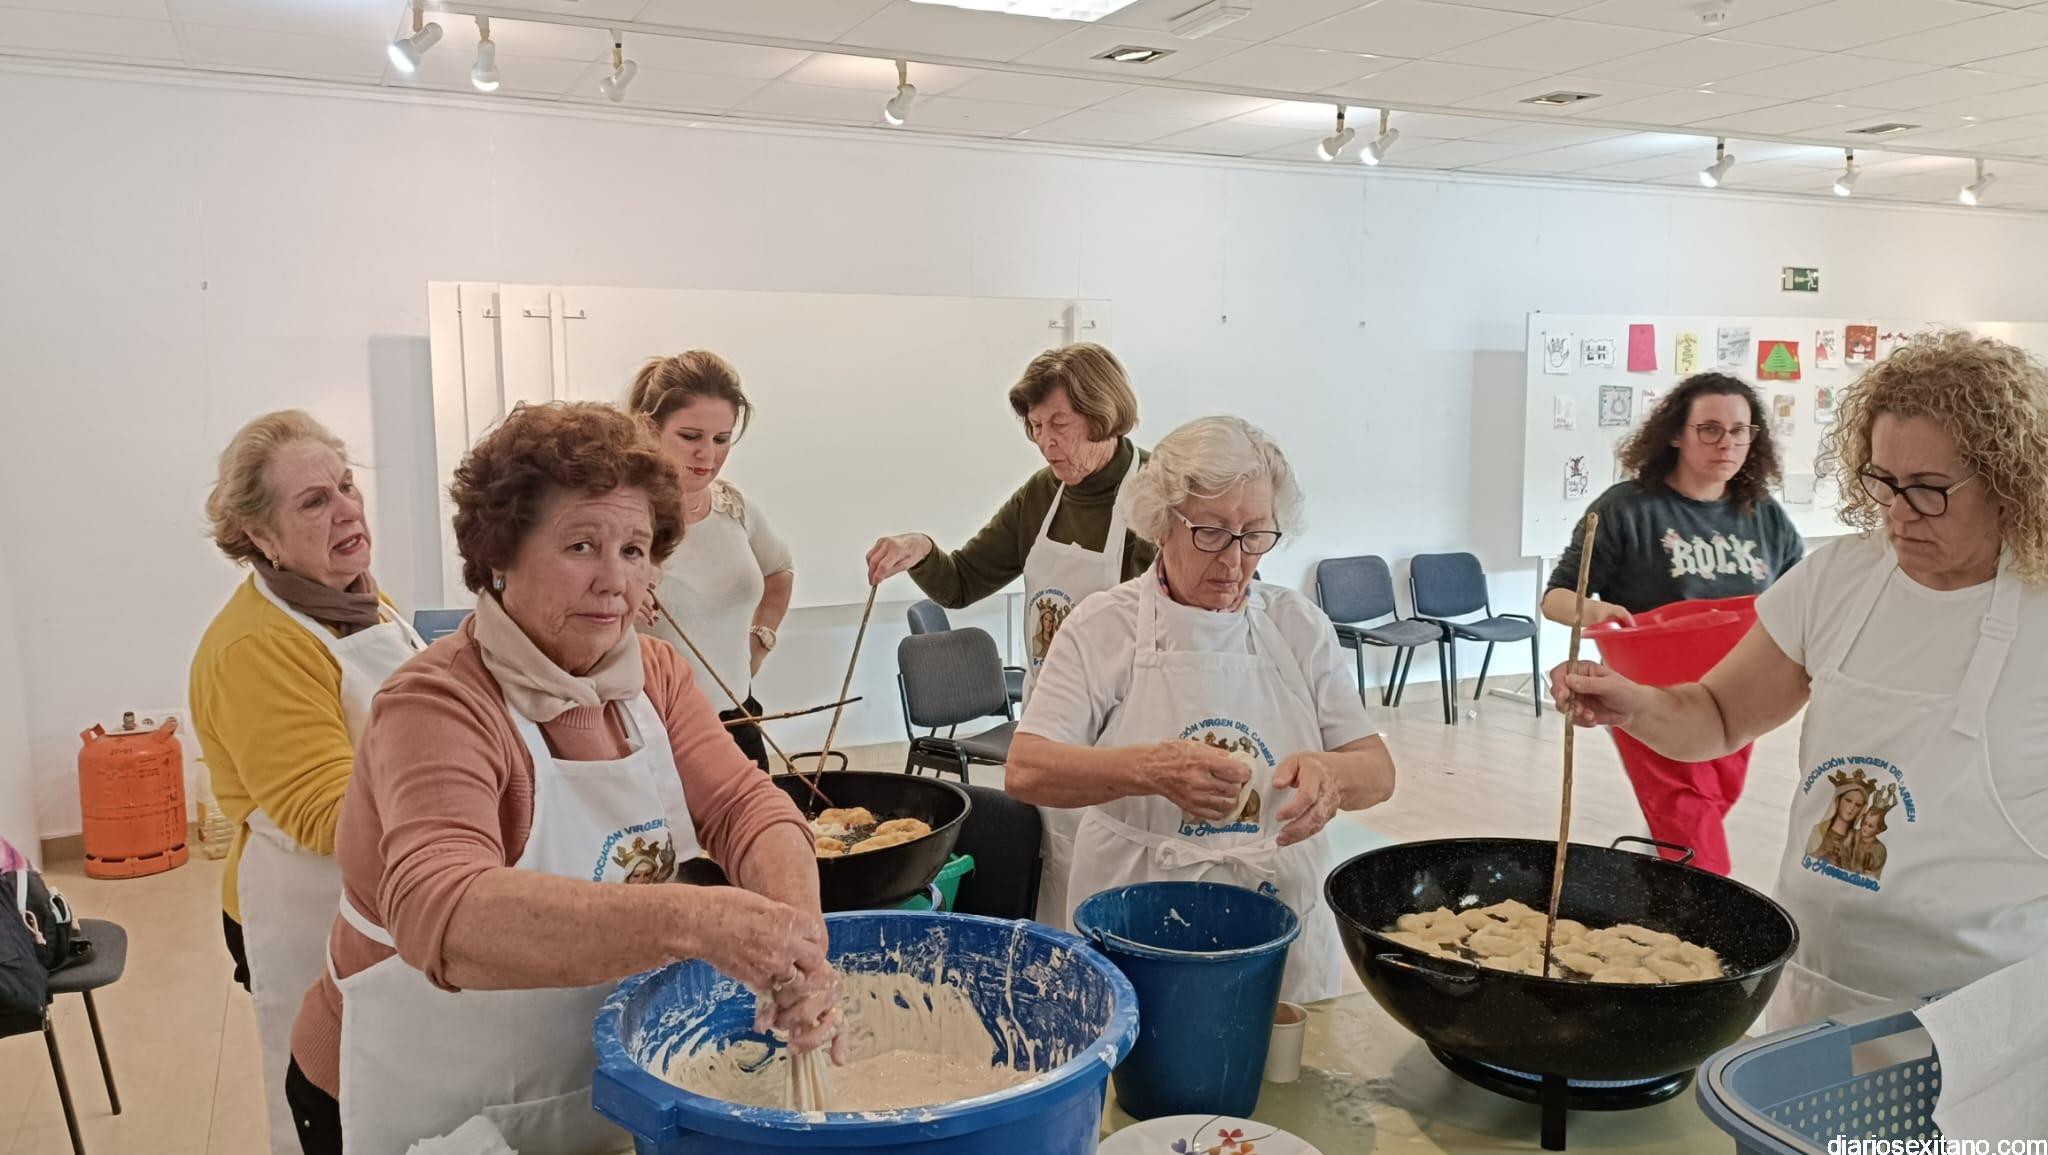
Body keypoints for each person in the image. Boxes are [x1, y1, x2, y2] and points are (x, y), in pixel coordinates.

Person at [287, 403, 837, 1155]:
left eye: (635, 549)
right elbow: (441, 909)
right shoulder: (436, 701)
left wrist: (798, 940)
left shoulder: (654, 675)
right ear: (501, 553)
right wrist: (698, 922)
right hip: (422, 1096)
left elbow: (747, 808)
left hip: (579, 1083)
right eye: (582, 545)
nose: (616, 580)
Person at [1552, 331, 2048, 1029]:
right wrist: (1633, 704)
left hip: (1980, 1006)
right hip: (1818, 976)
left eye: (1929, 489)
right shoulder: (1840, 579)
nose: (1899, 512)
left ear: (2011, 481)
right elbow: (1718, 715)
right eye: (1883, 482)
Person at [1006, 416, 1397, 1002]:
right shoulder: (1103, 626)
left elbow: (1378, 771)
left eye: (1255, 535)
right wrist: (1148, 770)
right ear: (1162, 523)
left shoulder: (1297, 626)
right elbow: (1027, 769)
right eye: (1211, 533)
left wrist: (1332, 777)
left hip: (1277, 915)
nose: (1235, 560)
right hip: (1136, 913)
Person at [188, 410, 424, 1155]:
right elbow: (327, 816)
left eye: (346, 486)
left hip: (379, 888)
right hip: (308, 903)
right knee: (336, 1102)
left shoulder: (358, 600)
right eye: (315, 501)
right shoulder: (257, 645)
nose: (347, 509)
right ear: (260, 535)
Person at [865, 342, 1153, 925]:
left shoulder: (1156, 496)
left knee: (1117, 883)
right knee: (1051, 876)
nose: (1046, 442)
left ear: (1102, 413)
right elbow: (962, 581)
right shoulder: (1041, 495)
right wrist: (922, 549)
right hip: (1051, 724)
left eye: (1059, 425)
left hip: (1129, 728)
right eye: (1035, 428)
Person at [1540, 374, 1805, 876]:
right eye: (1710, 429)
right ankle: (1707, 912)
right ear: (1677, 434)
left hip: (1738, 693)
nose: (1727, 443)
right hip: (1646, 694)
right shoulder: (1626, 509)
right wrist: (1595, 612)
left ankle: (1660, 886)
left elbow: (1800, 601)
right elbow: (1555, 598)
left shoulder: (1765, 516)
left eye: (1740, 430)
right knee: (1691, 821)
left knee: (1699, 813)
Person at [628, 351, 794, 770]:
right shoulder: (619, 519)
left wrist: (761, 640)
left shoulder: (734, 507)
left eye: (721, 439)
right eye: (690, 436)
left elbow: (779, 571)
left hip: (739, 718)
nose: (708, 454)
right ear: (650, 429)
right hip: (657, 733)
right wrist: (619, 595)